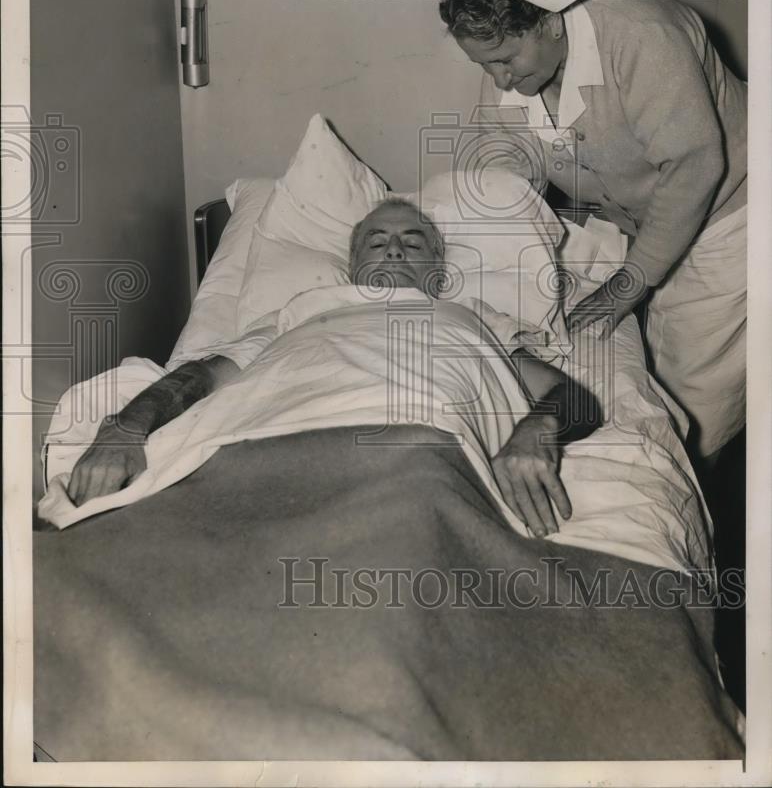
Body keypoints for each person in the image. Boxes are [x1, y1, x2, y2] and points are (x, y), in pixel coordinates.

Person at [67, 198, 601, 538]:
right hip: (261, 442)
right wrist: (124, 429)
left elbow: (570, 395)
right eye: (376, 240)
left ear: (437, 273)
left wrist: (537, 428)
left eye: (412, 242)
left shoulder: (469, 315)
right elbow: (201, 378)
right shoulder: (301, 309)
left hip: (413, 448)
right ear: (351, 267)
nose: (393, 249)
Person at [439, 0, 746, 465]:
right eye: (484, 66)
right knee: (661, 360)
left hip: (736, 211)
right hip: (660, 215)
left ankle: (708, 504)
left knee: (693, 399)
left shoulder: (640, 36)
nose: (500, 80)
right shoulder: (513, 62)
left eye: (506, 60)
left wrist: (629, 283)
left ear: (551, 20)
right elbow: (503, 160)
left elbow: (695, 166)